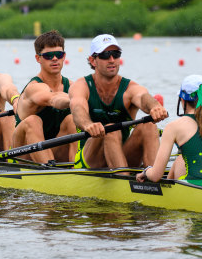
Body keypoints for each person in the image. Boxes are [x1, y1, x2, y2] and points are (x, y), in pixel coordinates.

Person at [70, 34, 168, 169]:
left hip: (123, 154)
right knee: (111, 129)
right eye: (105, 55)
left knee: (149, 126)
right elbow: (77, 108)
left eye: (116, 54)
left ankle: (155, 177)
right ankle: (124, 179)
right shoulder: (82, 86)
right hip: (91, 160)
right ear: (93, 61)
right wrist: (87, 125)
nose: (112, 60)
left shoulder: (130, 87)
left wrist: (155, 107)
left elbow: (143, 97)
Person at [12, 30, 76, 163]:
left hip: (53, 150)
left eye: (59, 54)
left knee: (71, 120)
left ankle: (77, 170)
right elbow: (53, 99)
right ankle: (50, 170)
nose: (54, 59)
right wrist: (79, 101)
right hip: (24, 155)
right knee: (33, 121)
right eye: (48, 56)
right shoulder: (34, 88)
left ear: (64, 57)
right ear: (38, 58)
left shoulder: (71, 85)